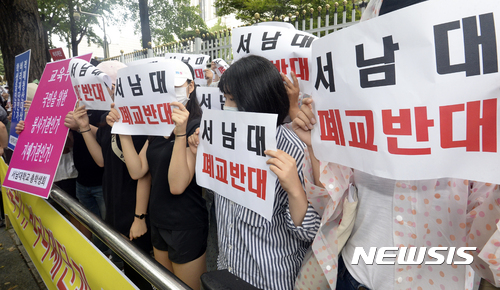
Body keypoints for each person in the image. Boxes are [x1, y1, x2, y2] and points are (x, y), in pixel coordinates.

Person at [291, 1, 500, 289]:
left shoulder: (472, 115)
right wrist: (317, 145)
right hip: (355, 274)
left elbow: (486, 233)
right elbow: (328, 199)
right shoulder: (356, 111)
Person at [190, 54, 320, 290]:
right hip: (228, 268)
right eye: (225, 99)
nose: (226, 107)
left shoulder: (294, 148)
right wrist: (202, 154)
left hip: (271, 279)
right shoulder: (222, 138)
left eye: (233, 100)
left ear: (257, 99)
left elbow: (310, 233)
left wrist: (295, 191)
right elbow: (216, 193)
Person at [107, 59, 208, 290]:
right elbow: (138, 171)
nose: (172, 94)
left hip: (185, 224)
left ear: (191, 87)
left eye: (178, 86)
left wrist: (180, 134)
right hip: (159, 221)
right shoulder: (158, 125)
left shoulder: (196, 128)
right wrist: (124, 130)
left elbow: (177, 185)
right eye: (167, 89)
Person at [71, 60, 153, 289]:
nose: (108, 93)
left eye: (112, 87)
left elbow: (142, 174)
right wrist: (84, 127)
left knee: (143, 272)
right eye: (106, 87)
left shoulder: (144, 122)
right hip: (115, 206)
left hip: (136, 211)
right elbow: (102, 160)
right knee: (130, 270)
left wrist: (139, 218)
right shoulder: (109, 119)